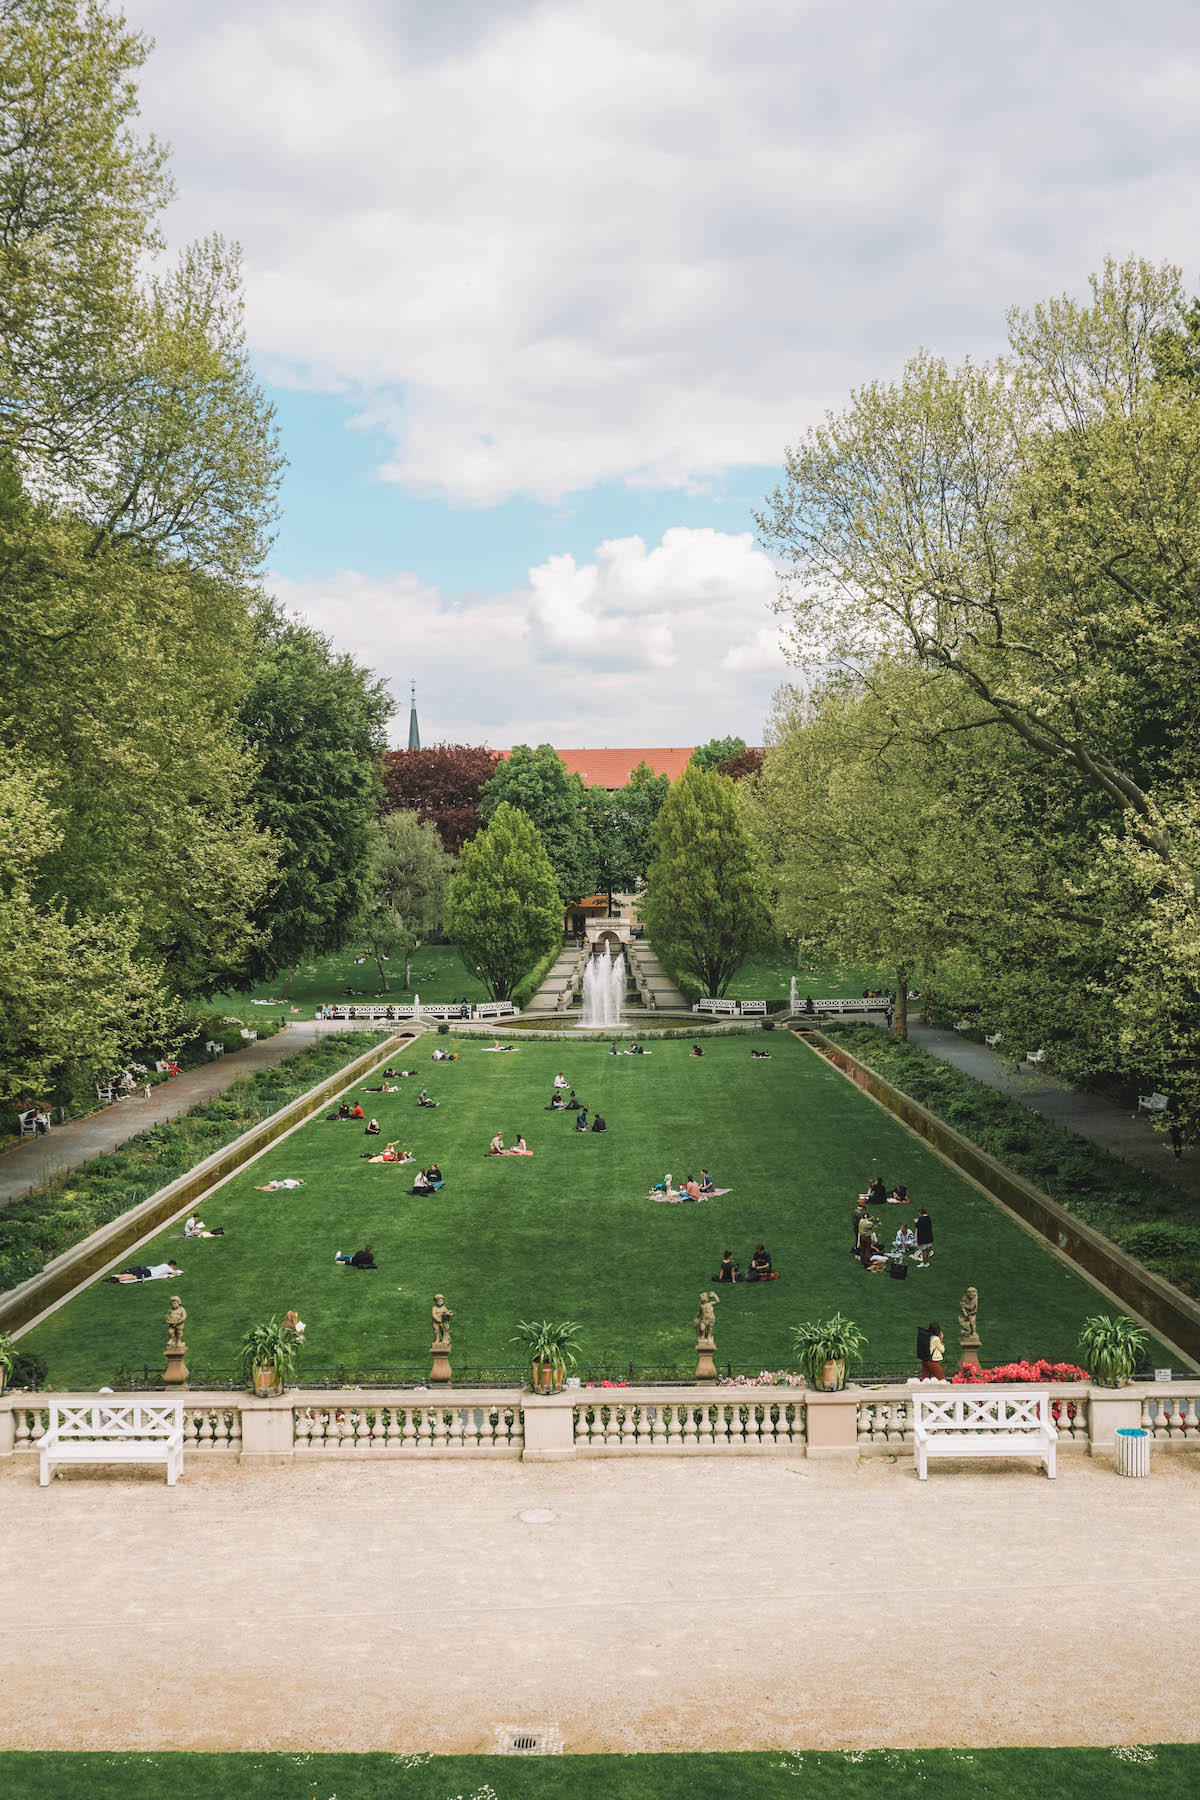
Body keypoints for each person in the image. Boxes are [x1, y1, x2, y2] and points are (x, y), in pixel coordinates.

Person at [109, 1259, 181, 1284]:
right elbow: (175, 1273)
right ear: (172, 1265)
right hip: (149, 1273)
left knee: (131, 1274)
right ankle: (119, 1280)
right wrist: (176, 1272)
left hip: (148, 1270)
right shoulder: (168, 1268)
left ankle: (117, 1276)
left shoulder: (164, 1264)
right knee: (134, 1277)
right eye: (174, 1266)